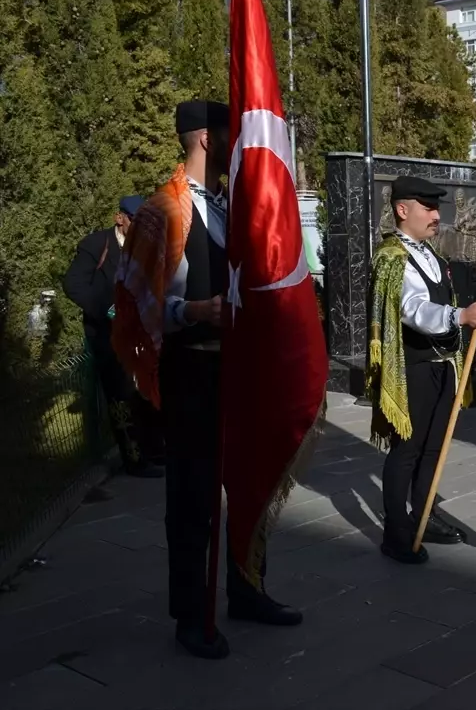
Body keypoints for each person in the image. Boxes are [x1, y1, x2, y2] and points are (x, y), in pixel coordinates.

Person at [112, 100, 300, 660]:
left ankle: (247, 587)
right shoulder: (162, 212)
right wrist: (192, 313)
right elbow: (139, 302)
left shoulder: (231, 207)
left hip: (238, 370)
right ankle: (191, 615)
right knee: (193, 495)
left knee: (250, 484)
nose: (236, 143)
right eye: (227, 133)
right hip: (192, 369)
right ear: (203, 139)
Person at [368, 175, 476, 561]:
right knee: (408, 450)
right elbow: (413, 310)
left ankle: (423, 516)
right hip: (414, 368)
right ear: (403, 210)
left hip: (443, 367)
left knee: (434, 448)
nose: (437, 215)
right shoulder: (392, 257)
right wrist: (459, 315)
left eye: (437, 208)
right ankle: (397, 532)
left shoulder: (430, 254)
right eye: (429, 208)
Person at [63, 194, 164, 478]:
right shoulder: (97, 245)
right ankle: (134, 459)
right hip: (108, 337)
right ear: (120, 218)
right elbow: (73, 284)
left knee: (148, 392)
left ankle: (156, 451)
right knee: (121, 397)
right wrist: (108, 309)